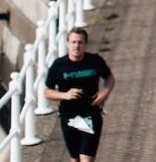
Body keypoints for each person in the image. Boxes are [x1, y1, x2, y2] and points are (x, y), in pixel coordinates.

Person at [44, 27, 114, 162]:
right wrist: (65, 95)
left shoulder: (94, 61)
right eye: (73, 42)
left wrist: (105, 93)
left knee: (86, 159)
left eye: (80, 43)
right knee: (75, 159)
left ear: (85, 44)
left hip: (91, 115)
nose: (77, 46)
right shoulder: (59, 66)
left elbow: (110, 78)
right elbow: (47, 92)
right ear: (67, 44)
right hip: (68, 117)